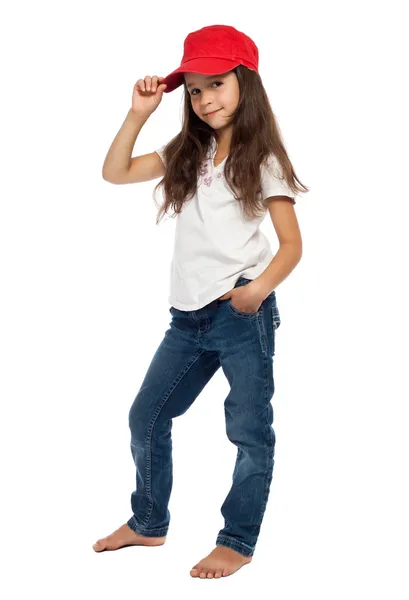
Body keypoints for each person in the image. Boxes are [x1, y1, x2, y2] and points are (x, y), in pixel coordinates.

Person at [93, 24, 308, 578]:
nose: (206, 98)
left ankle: (237, 539)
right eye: (193, 89)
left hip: (241, 313)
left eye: (217, 83)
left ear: (246, 83)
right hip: (186, 319)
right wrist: (140, 112)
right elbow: (114, 172)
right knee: (147, 414)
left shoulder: (264, 158)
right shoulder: (189, 152)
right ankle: (148, 522)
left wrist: (256, 291)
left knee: (249, 430)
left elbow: (291, 246)